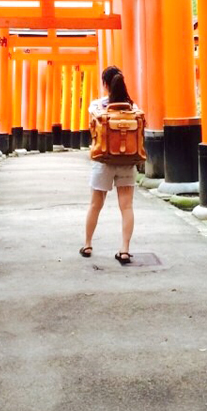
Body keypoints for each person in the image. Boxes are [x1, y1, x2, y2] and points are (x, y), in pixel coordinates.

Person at [80, 66, 137, 265]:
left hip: (103, 161)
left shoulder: (97, 106)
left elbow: (92, 131)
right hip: (127, 161)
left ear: (106, 84)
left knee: (95, 205)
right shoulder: (133, 107)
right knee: (127, 206)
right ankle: (124, 250)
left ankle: (87, 244)